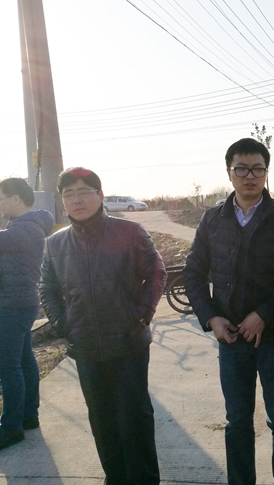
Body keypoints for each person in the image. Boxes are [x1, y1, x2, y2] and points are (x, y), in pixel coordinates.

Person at [183, 138, 274, 485]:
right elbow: (193, 272)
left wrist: (265, 314)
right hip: (231, 339)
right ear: (229, 172)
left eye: (258, 169)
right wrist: (211, 317)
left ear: (266, 173)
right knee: (237, 421)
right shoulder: (213, 219)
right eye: (242, 169)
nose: (250, 176)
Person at [39, 167, 166, 484]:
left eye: (84, 192)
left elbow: (156, 272)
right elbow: (47, 289)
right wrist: (63, 324)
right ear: (63, 202)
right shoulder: (55, 244)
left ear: (100, 195)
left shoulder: (129, 232)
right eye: (69, 194)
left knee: (135, 419)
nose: (76, 200)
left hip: (128, 342)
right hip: (85, 347)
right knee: (102, 421)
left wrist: (141, 313)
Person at [0, 178, 53, 455]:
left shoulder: (24, 229)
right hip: (15, 303)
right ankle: (27, 416)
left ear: (16, 199)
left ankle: (11, 427)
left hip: (10, 306)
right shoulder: (25, 227)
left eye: (0, 198)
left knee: (6, 367)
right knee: (23, 361)